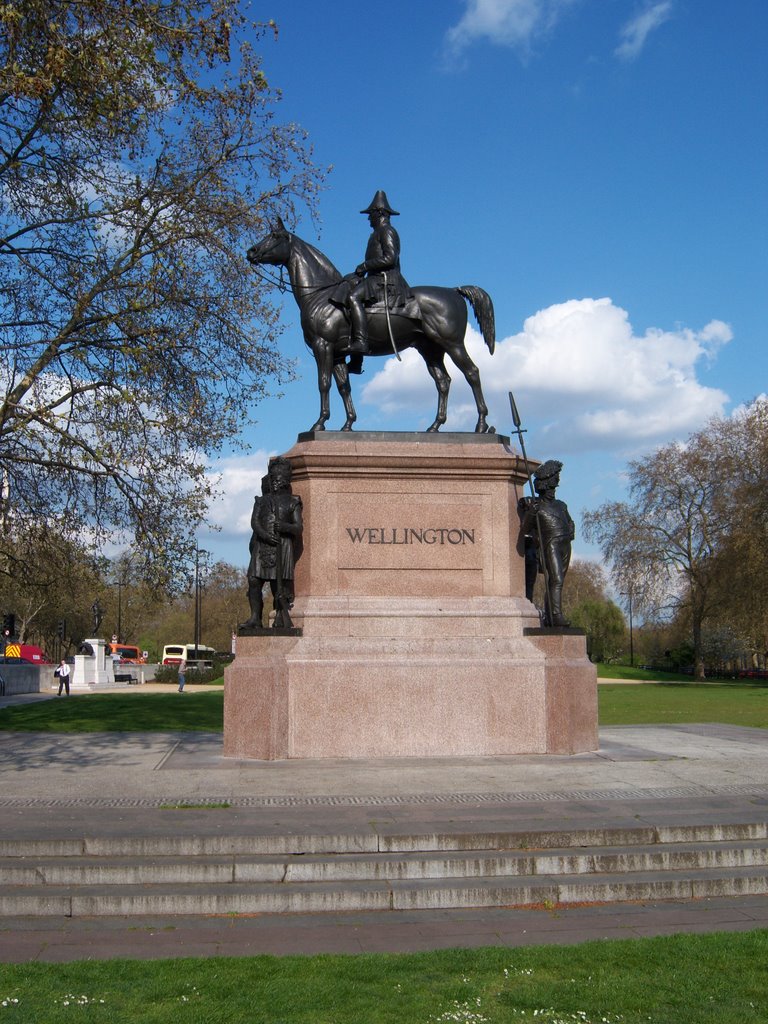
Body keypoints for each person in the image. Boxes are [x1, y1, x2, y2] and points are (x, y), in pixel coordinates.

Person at [334, 190, 412, 373]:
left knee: (353, 298)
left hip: (385, 279)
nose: (368, 219)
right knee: (346, 287)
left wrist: (365, 265)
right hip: (374, 278)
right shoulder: (377, 233)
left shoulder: (387, 231)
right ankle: (356, 361)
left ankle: (360, 342)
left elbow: (390, 258)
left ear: (379, 213)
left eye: (370, 215)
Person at [242, 457, 303, 629]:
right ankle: (255, 617)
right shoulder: (261, 501)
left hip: (281, 546)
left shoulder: (293, 501)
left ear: (284, 481)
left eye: (278, 479)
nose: (275, 482)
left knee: (278, 585)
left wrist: (284, 526)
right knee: (253, 580)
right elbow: (254, 522)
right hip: (263, 544)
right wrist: (264, 535)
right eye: (273, 479)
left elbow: (298, 528)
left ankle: (280, 616)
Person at [518, 460, 575, 628]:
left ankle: (550, 616)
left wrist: (571, 531)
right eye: (554, 480)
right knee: (555, 579)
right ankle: (556, 615)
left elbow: (570, 522)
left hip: (565, 543)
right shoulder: (536, 506)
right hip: (550, 544)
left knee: (558, 581)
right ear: (547, 484)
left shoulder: (561, 505)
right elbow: (526, 530)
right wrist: (530, 514)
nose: (556, 483)